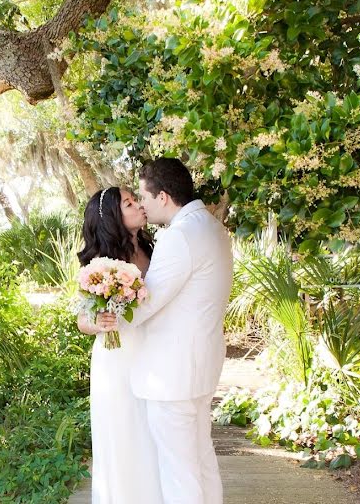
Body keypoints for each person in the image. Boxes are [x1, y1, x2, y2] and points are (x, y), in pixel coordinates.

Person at [99, 158, 233, 504]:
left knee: (180, 475)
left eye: (142, 196)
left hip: (172, 376)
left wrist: (109, 315)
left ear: (162, 196)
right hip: (199, 367)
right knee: (202, 463)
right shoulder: (213, 227)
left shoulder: (180, 237)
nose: (141, 204)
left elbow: (145, 305)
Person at [77, 186, 163, 504]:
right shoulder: (100, 264)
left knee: (154, 433)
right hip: (117, 358)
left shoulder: (153, 250)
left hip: (154, 351)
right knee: (125, 434)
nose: (139, 205)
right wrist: (97, 323)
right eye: (129, 202)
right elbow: (82, 319)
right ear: (113, 216)